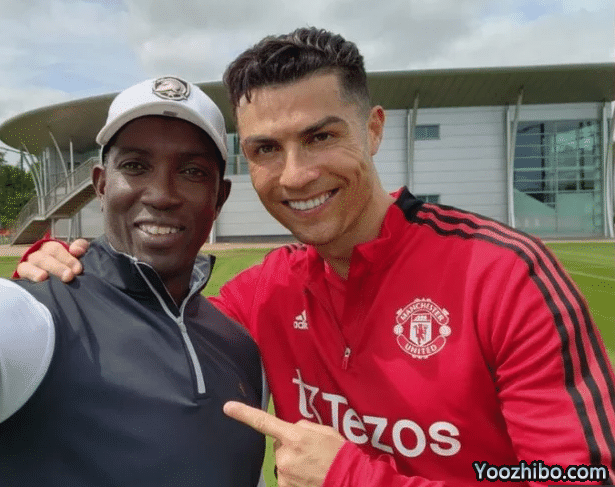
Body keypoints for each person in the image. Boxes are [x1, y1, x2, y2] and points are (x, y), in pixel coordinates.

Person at [17, 29, 615, 486]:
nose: (296, 175)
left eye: (320, 137)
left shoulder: (504, 275)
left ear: (372, 130)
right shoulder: (266, 293)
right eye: (266, 149)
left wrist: (353, 476)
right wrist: (60, 267)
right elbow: (152, 316)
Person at [1, 76, 267, 486]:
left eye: (192, 171)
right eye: (135, 166)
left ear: (219, 197)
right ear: (101, 185)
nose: (161, 195)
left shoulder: (241, 347)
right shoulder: (32, 319)